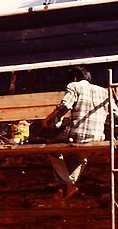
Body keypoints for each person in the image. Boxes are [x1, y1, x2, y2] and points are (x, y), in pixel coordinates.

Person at [42, 66, 115, 200]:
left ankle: (67, 185)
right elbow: (115, 113)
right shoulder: (104, 92)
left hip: (77, 134)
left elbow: (65, 106)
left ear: (75, 77)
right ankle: (66, 188)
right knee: (79, 158)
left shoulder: (74, 86)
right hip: (98, 137)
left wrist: (52, 121)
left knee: (52, 149)